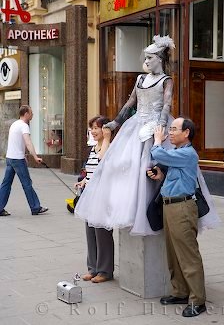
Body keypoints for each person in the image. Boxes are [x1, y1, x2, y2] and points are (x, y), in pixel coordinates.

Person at [75, 35, 175, 235]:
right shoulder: (140, 79)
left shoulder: (166, 80)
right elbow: (130, 103)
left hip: (154, 126)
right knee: (124, 166)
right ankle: (124, 206)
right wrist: (115, 122)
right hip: (136, 124)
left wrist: (162, 125)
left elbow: (167, 103)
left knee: (148, 165)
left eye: (150, 58)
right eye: (145, 58)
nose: (146, 61)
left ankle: (150, 206)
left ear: (160, 59)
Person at [150, 118, 206, 317]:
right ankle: (180, 292)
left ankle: (197, 301)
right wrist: (161, 177)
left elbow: (157, 153)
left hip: (182, 207)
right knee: (173, 253)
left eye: (174, 129)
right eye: (170, 129)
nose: (170, 132)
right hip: (171, 206)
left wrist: (157, 140)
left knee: (188, 254)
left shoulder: (188, 153)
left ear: (187, 133)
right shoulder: (176, 153)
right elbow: (176, 176)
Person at [74, 116, 114, 283]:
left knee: (102, 233)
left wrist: (107, 138)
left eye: (97, 128)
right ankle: (93, 268)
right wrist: (83, 181)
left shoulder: (109, 147)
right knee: (90, 232)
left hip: (103, 196)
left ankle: (105, 271)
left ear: (105, 130)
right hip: (90, 195)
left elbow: (102, 161)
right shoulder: (93, 147)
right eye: (92, 128)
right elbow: (91, 171)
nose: (93, 131)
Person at [0, 105, 48, 216]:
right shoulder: (24, 126)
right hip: (17, 159)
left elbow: (15, 142)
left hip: (10, 158)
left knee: (6, 183)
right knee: (27, 183)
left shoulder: (14, 124)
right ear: (26, 113)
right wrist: (35, 157)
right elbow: (28, 142)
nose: (32, 115)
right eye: (31, 113)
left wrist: (24, 155)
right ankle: (35, 207)